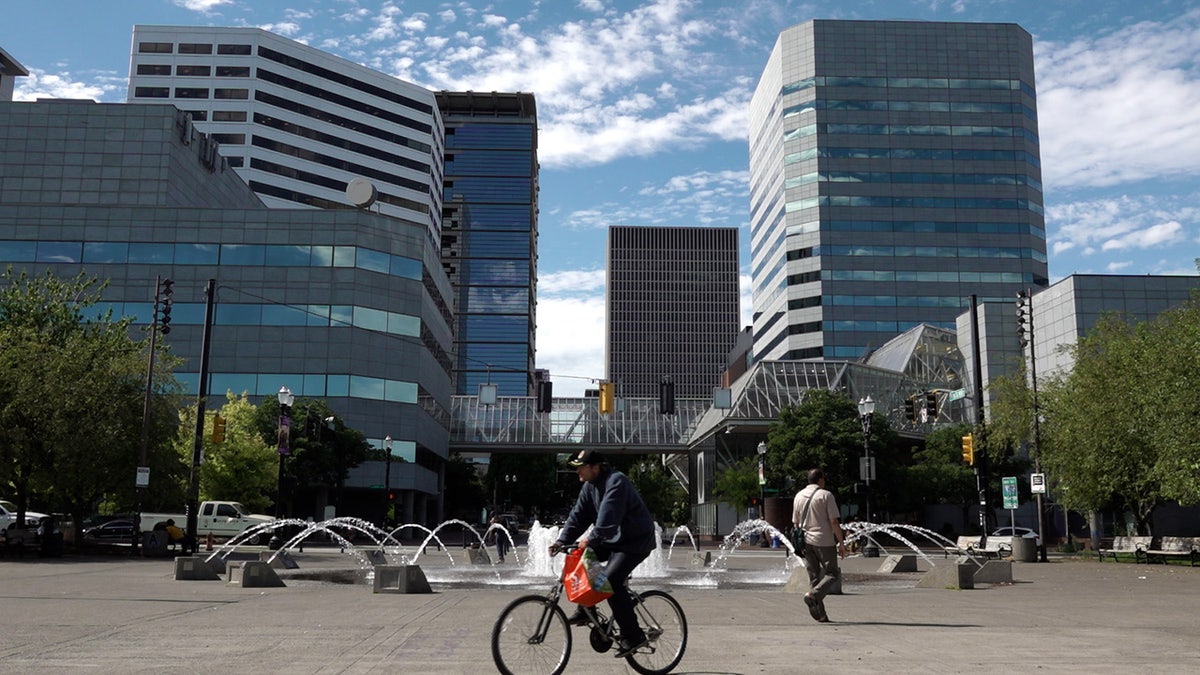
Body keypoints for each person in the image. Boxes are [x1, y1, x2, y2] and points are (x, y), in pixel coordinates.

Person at [550, 449, 656, 658]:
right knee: (581, 558)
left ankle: (634, 636)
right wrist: (562, 541)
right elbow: (578, 516)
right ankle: (586, 609)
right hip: (613, 539)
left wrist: (591, 539)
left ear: (595, 467)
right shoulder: (589, 487)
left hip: (635, 541)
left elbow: (608, 520)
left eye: (581, 467)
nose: (578, 471)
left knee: (611, 581)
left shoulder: (616, 482)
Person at [793, 468, 847, 623]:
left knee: (815, 577)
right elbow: (834, 521)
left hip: (805, 541)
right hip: (823, 540)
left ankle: (821, 615)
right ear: (821, 479)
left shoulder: (798, 496)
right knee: (832, 573)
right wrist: (841, 542)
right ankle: (813, 595)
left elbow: (795, 522)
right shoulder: (826, 495)